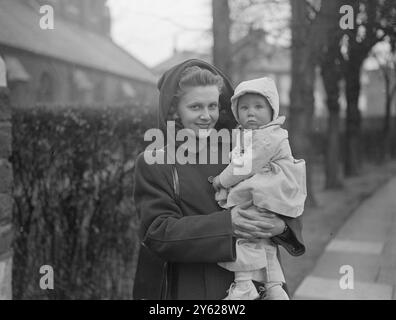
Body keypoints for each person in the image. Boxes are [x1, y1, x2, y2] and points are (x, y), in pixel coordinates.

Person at [132, 59, 305, 300]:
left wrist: (282, 227)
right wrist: (227, 225)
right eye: (195, 107)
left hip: (259, 286)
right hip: (195, 288)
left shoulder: (245, 148)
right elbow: (158, 233)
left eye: (212, 106)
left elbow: (286, 192)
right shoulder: (156, 161)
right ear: (175, 110)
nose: (206, 116)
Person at [210, 77, 307, 300]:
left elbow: (243, 166)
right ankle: (274, 286)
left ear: (272, 109)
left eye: (258, 106)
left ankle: (243, 284)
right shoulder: (255, 135)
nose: (250, 113)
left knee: (244, 236)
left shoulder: (266, 137)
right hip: (269, 196)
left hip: (264, 194)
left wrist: (220, 181)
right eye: (244, 108)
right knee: (264, 242)